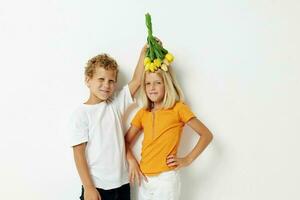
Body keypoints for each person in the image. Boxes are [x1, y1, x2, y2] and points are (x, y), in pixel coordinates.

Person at [125, 63, 213, 200]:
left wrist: (187, 159)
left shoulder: (178, 109)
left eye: (157, 83)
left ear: (167, 84)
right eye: (148, 83)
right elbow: (125, 141)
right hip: (144, 179)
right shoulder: (143, 113)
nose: (152, 88)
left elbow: (206, 135)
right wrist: (131, 161)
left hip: (166, 179)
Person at [69, 45, 146, 200]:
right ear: (88, 80)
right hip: (97, 187)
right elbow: (78, 154)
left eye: (111, 81)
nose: (106, 85)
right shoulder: (81, 114)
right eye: (101, 79)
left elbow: (137, 81)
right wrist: (89, 188)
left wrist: (144, 52)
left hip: (123, 184)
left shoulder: (115, 103)